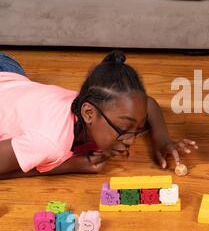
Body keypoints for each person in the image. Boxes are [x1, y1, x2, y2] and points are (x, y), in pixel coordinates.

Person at [0, 50, 197, 179]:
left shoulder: (96, 105)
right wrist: (69, 166)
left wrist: (162, 140)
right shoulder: (50, 143)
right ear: (88, 113)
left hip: (9, 70)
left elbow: (149, 104)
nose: (130, 141)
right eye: (123, 130)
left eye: (135, 130)